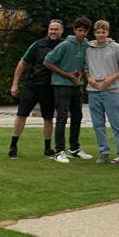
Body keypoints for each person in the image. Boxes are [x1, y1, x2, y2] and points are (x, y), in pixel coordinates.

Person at [8, 19, 63, 159]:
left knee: (48, 118)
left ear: (61, 31)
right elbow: (22, 63)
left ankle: (47, 148)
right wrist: (15, 84)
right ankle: (13, 146)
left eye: (56, 29)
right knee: (21, 115)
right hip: (32, 86)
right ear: (48, 30)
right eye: (51, 29)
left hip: (50, 88)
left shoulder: (65, 45)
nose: (53, 31)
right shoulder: (37, 44)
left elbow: (82, 44)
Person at [43, 16, 93, 163]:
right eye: (80, 30)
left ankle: (74, 149)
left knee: (77, 117)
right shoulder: (64, 45)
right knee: (62, 118)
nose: (82, 33)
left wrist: (80, 75)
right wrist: (66, 75)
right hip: (61, 86)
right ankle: (59, 151)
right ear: (74, 30)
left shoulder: (87, 45)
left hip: (77, 86)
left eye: (85, 31)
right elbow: (47, 62)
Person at [83, 20, 119, 166]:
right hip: (93, 91)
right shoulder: (88, 48)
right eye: (98, 32)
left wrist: (111, 79)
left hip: (111, 91)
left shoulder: (115, 47)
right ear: (94, 33)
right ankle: (103, 153)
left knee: (117, 124)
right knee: (98, 125)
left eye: (103, 32)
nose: (101, 35)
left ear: (108, 32)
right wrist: (89, 78)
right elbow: (85, 68)